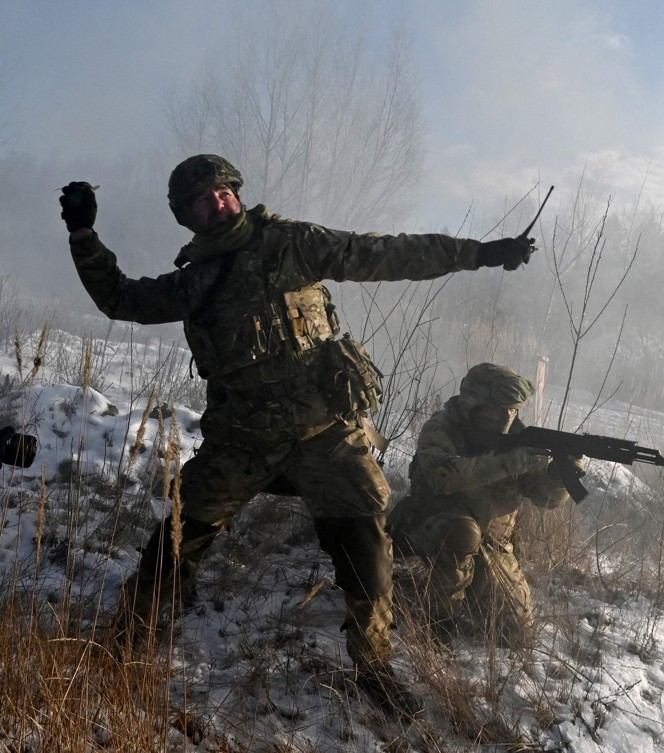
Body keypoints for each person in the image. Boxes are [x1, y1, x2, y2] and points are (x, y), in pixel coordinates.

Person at [58, 155, 537, 715]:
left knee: (366, 544)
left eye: (222, 194)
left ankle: (372, 666)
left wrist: (480, 254)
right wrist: (83, 234)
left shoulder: (290, 244)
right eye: (201, 201)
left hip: (324, 434)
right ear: (186, 217)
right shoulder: (194, 282)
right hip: (243, 439)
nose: (216, 204)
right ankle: (128, 636)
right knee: (178, 535)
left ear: (236, 194)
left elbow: (384, 255)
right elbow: (121, 299)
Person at [387, 363, 581, 648]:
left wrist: (561, 476)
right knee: (461, 533)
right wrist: (509, 462)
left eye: (512, 410)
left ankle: (463, 587)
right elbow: (443, 478)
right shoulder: (442, 428)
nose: (506, 417)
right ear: (471, 404)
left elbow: (544, 497)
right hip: (429, 522)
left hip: (492, 542)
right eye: (496, 409)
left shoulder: (521, 439)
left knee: (516, 635)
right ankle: (438, 625)